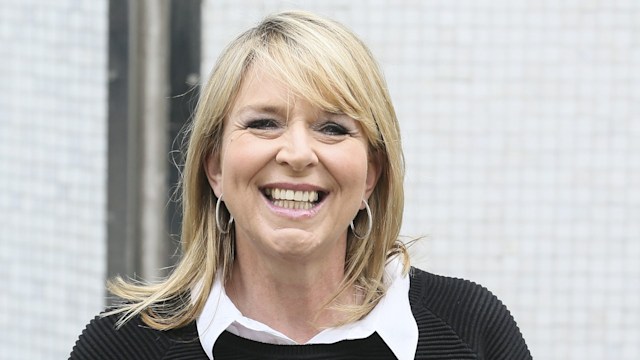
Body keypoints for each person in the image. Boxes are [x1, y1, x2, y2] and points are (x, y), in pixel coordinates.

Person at [70, 10, 531, 360]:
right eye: (264, 123)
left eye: (332, 128)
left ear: (371, 173)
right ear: (214, 167)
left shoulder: (471, 328)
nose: (296, 153)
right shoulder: (121, 347)